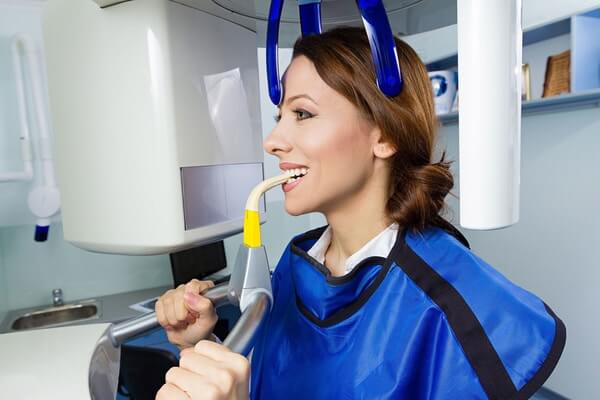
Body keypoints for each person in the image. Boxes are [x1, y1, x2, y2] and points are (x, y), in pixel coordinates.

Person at [155, 27, 566, 400]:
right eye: (281, 115)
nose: (273, 140)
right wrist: (199, 343)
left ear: (384, 135)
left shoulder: (453, 302)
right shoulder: (296, 267)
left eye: (302, 114)